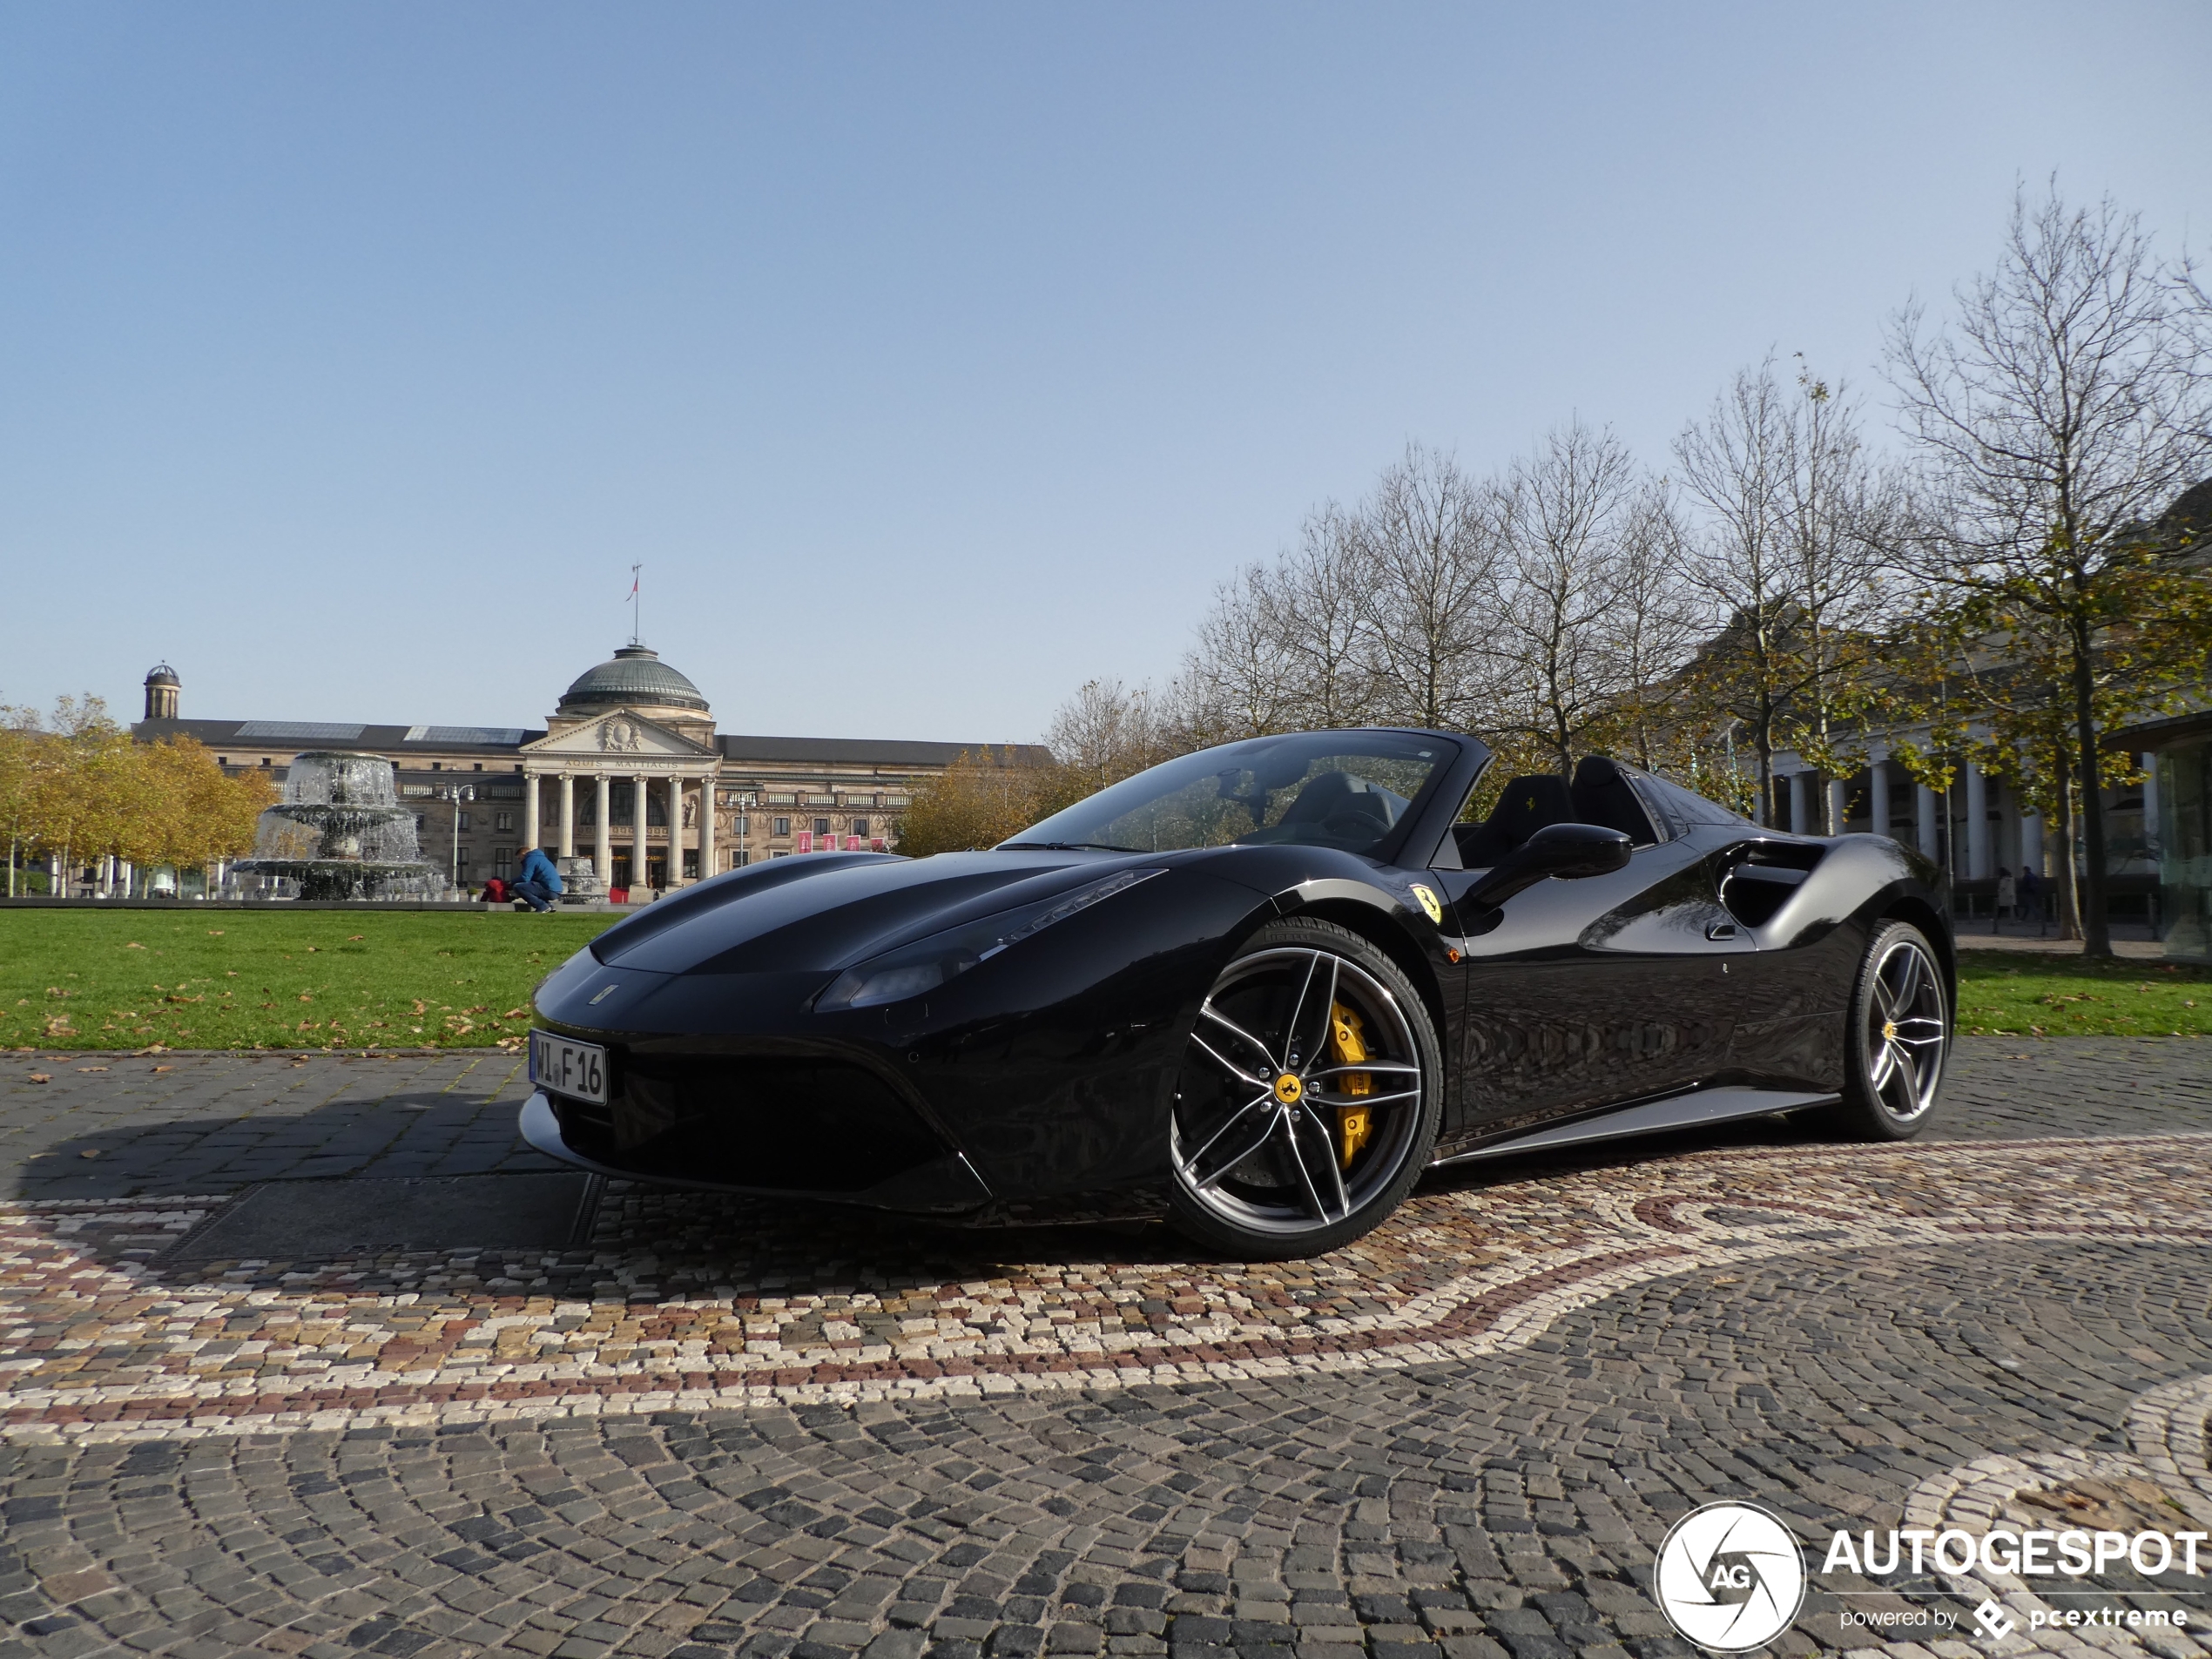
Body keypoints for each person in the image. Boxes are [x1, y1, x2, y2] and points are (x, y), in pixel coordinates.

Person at [511, 846, 563, 913]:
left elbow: (525, 878)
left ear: (523, 854)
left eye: (519, 858)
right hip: (556, 890)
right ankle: (549, 906)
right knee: (532, 887)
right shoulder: (541, 858)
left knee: (518, 887)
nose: (519, 860)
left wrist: (511, 882)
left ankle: (542, 906)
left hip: (549, 889)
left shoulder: (530, 859)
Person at [2020, 862, 2043, 934]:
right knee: (2028, 905)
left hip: (2027, 892)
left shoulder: (2026, 876)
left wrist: (2020, 890)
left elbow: (2023, 885)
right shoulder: (2033, 876)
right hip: (2033, 892)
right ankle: (2023, 917)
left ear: (2025, 870)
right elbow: (2038, 883)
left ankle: (2038, 917)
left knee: (2030, 905)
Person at [1994, 866, 2014, 933]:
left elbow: (2002, 887)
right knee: (2011, 907)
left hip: (2004, 894)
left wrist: (1998, 891)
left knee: (2001, 907)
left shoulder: (2003, 879)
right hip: (2011, 894)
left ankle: (1997, 918)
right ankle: (2013, 920)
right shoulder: (2011, 878)